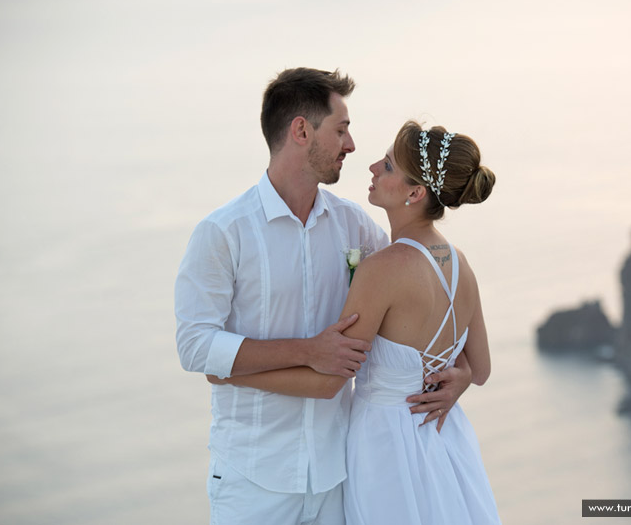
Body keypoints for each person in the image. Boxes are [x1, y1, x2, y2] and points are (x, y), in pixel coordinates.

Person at [174, 68, 472, 525]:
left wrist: (462, 372)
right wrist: (308, 351)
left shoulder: (356, 228)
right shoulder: (223, 233)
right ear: (300, 130)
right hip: (254, 480)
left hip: (340, 476)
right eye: (341, 129)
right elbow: (195, 346)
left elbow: (426, 291)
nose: (351, 145)